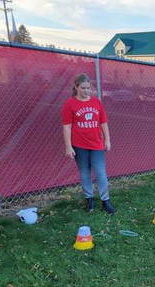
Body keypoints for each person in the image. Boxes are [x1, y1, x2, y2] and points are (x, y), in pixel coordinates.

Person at [62, 73, 116, 214]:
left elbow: (103, 122)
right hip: (79, 144)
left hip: (96, 144)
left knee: (100, 172)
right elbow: (67, 126)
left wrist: (107, 140)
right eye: (83, 88)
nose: (87, 91)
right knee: (84, 172)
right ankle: (89, 199)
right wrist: (68, 146)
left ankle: (106, 201)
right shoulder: (70, 104)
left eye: (88, 88)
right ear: (76, 87)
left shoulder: (96, 102)